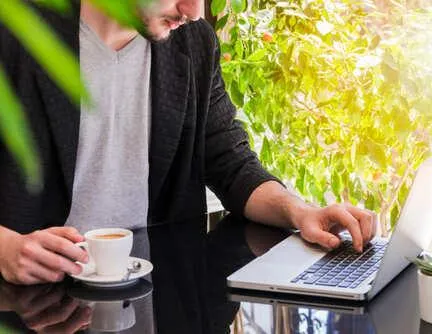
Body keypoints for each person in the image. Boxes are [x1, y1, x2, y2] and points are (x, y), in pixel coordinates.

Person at [0, 0, 376, 285]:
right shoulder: (14, 28)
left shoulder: (194, 44)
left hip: (156, 294)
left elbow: (230, 162)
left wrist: (300, 211)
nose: (195, 11)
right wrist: (6, 250)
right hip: (38, 302)